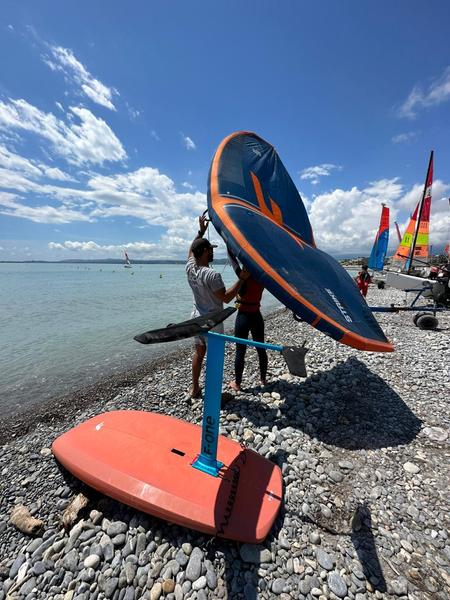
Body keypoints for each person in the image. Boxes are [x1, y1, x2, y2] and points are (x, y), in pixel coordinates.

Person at [186, 215, 247, 399]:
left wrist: (201, 231)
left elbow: (191, 249)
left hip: (197, 317)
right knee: (215, 357)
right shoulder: (212, 275)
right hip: (213, 321)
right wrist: (242, 280)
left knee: (199, 352)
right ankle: (215, 396)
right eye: (210, 250)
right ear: (204, 251)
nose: (212, 253)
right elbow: (227, 298)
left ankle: (195, 388)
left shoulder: (189, 267)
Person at [227, 247, 267, 392]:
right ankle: (263, 379)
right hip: (256, 315)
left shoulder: (242, 275)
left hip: (243, 316)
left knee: (240, 351)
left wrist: (227, 241)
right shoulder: (263, 277)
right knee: (261, 348)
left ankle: (237, 383)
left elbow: (232, 259)